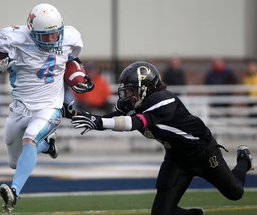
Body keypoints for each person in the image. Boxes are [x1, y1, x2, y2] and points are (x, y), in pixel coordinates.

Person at [68, 61, 253, 215]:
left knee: (235, 192)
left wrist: (98, 123)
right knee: (161, 213)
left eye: (131, 90)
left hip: (202, 153)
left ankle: (244, 159)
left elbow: (136, 123)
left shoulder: (164, 100)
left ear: (146, 88)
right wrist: (72, 114)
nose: (127, 95)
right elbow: (111, 118)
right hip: (177, 157)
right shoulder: (139, 102)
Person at [0, 3, 93, 213]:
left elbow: (72, 60)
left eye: (55, 34)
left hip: (49, 106)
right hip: (20, 108)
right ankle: (48, 146)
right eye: (45, 36)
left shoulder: (68, 38)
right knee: (14, 162)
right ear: (31, 30)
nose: (52, 40)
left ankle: (14, 193)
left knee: (30, 138)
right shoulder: (16, 39)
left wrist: (81, 78)